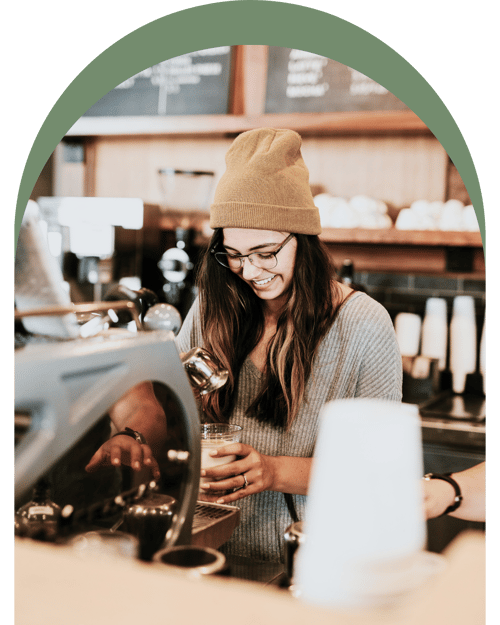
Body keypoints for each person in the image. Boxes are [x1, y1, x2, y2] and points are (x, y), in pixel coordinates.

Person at [86, 127, 403, 562]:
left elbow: (380, 469)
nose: (249, 271)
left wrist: (273, 471)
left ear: (304, 239)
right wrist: (135, 435)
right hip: (203, 547)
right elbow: (163, 401)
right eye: (233, 253)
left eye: (265, 252)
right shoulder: (214, 310)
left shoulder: (364, 324)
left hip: (306, 560)